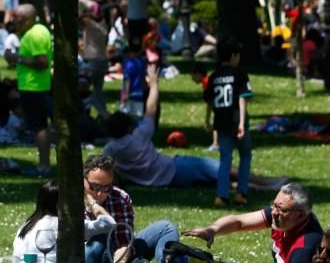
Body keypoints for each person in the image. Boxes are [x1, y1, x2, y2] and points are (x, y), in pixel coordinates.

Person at [103, 64, 285, 192]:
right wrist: (154, 83)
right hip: (174, 169)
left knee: (212, 180)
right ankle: (267, 183)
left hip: (163, 181)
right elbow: (151, 108)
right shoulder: (139, 135)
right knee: (221, 168)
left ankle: (256, 187)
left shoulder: (110, 150)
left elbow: (106, 170)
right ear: (127, 126)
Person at [183, 183, 324, 263]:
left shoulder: (305, 247)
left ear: (300, 216)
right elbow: (239, 222)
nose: (274, 212)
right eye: (274, 205)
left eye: (281, 209)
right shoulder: (284, 218)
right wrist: (212, 230)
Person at [82, 155, 180, 263]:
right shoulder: (69, 201)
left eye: (106, 188)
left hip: (115, 258)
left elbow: (123, 241)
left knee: (166, 228)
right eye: (94, 186)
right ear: (83, 179)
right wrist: (93, 205)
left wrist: (119, 261)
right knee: (98, 241)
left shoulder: (119, 198)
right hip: (84, 259)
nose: (99, 193)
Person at [14, 180, 116, 263]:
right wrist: (92, 203)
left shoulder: (26, 225)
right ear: (61, 204)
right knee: (102, 239)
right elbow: (109, 224)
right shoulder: (63, 224)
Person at [6, 4, 52, 175]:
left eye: (16, 18)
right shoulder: (40, 30)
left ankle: (43, 165)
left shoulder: (34, 35)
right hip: (37, 86)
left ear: (28, 19)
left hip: (34, 87)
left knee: (39, 126)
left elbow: (42, 62)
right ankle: (44, 163)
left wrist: (16, 58)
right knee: (39, 125)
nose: (13, 22)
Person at [208, 38, 253, 207]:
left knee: (225, 158)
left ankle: (222, 195)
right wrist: (242, 122)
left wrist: (211, 119)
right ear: (234, 55)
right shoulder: (239, 74)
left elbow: (210, 101)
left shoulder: (214, 76)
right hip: (236, 120)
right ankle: (241, 193)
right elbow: (243, 98)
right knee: (245, 156)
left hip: (222, 122)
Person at [189, 62, 219, 151]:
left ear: (198, 74)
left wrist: (207, 120)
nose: (192, 78)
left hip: (219, 107)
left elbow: (210, 102)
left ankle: (215, 144)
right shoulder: (206, 82)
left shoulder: (207, 83)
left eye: (192, 75)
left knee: (217, 124)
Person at [119, 37, 147, 118]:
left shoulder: (128, 63)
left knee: (125, 116)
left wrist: (126, 93)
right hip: (139, 93)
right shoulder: (142, 61)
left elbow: (127, 79)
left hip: (129, 93)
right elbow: (143, 77)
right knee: (137, 116)